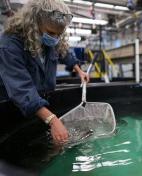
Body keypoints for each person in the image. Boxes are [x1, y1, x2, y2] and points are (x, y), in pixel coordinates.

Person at [0, 0, 89, 145]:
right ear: (34, 23)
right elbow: (22, 89)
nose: (54, 38)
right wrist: (53, 120)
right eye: (51, 33)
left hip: (42, 107)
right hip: (14, 108)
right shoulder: (9, 45)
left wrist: (79, 70)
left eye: (59, 34)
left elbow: (63, 51)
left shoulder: (49, 39)